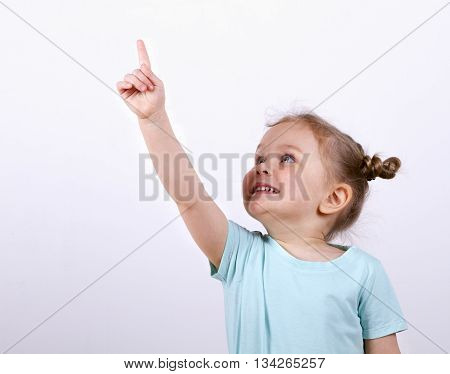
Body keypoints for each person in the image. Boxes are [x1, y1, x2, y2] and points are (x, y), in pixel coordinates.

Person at [116, 39, 408, 354]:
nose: (264, 167)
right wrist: (153, 119)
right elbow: (190, 198)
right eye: (259, 159)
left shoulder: (365, 273)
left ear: (334, 198)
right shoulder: (242, 255)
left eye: (287, 159)